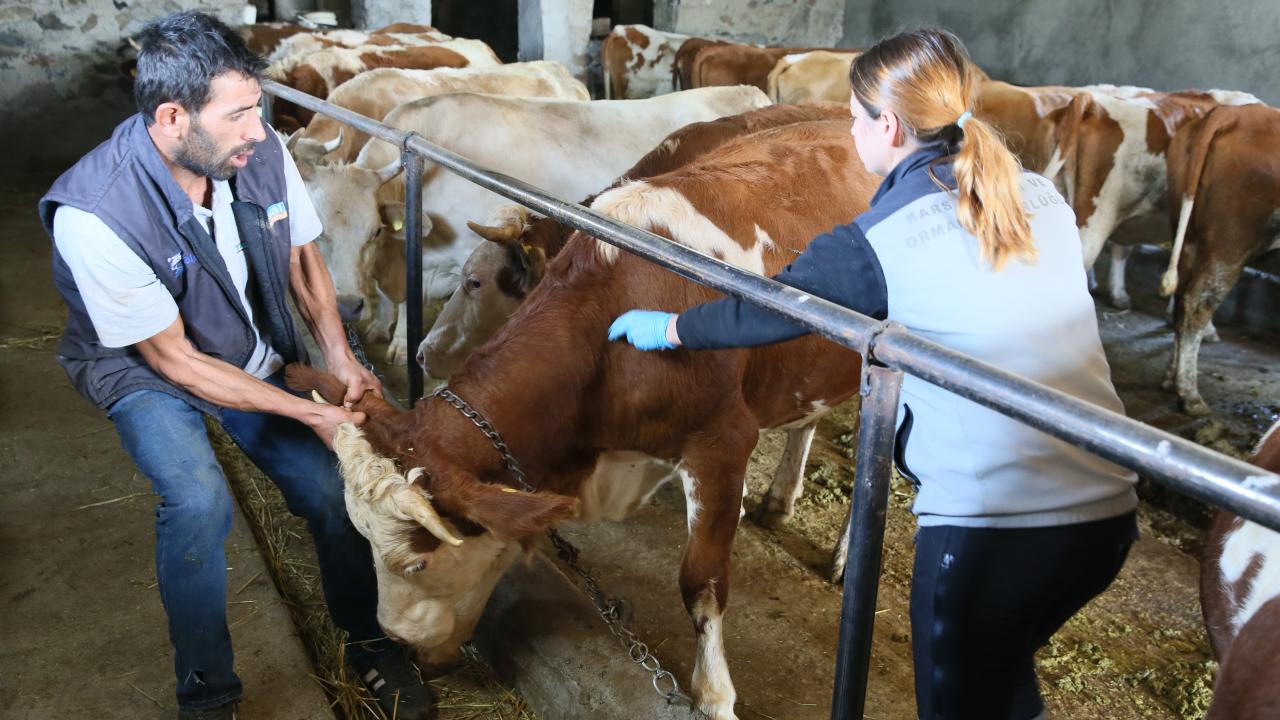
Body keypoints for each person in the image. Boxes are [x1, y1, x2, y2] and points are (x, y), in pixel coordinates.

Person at [608, 28, 1139, 720]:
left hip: (996, 527)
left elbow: (765, 312)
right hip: (1107, 513)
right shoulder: (1038, 195)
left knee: (958, 702)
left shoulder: (880, 241)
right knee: (1004, 687)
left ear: (886, 125)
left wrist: (671, 327)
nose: (851, 129)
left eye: (855, 115)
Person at [38, 11, 434, 720]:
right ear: (171, 116)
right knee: (197, 501)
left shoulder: (258, 149)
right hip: (150, 370)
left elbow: (302, 256)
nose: (259, 127)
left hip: (242, 345)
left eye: (257, 106)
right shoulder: (94, 214)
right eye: (239, 113)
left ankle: (369, 642)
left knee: (328, 488)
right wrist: (312, 411)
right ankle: (209, 691)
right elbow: (177, 362)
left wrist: (338, 357)